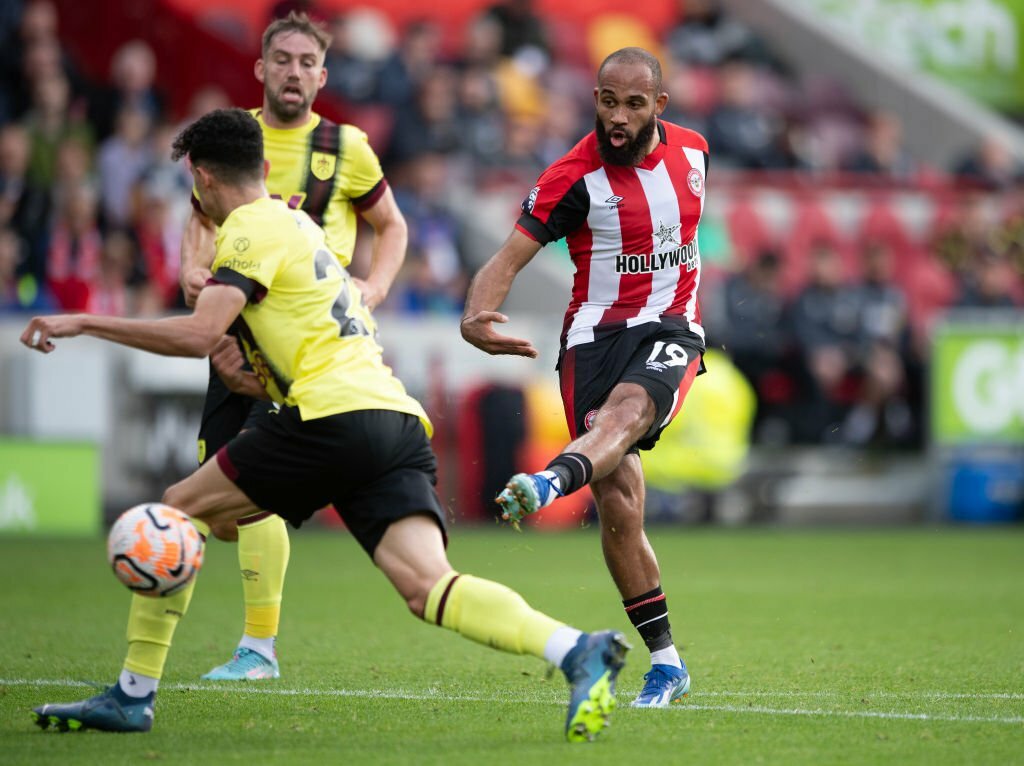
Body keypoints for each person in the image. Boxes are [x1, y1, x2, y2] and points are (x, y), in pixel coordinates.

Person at [23, 108, 629, 742]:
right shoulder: (301, 228)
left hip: (328, 415)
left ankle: (132, 695)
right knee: (429, 587)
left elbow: (201, 332)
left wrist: (84, 322)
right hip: (392, 417)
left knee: (176, 509)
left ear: (199, 178)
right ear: (262, 165)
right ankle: (575, 649)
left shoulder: (247, 229)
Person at [460, 47, 707, 708]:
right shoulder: (572, 178)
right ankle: (668, 662)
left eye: (633, 103)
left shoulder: (694, 155)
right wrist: (474, 315)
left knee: (628, 414)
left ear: (660, 104)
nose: (617, 116)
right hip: (592, 343)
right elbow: (508, 257)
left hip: (671, 329)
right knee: (621, 507)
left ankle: (548, 482)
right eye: (607, 100)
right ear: (594, 97)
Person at [178, 12, 409, 682]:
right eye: (283, 60)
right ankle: (159, 658)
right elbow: (198, 220)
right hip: (233, 335)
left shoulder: (346, 146)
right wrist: (194, 268)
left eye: (308, 62)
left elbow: (390, 226)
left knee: (252, 483)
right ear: (261, 67)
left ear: (323, 74)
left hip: (302, 349)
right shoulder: (235, 139)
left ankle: (257, 648)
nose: (294, 72)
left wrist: (377, 285)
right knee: (207, 500)